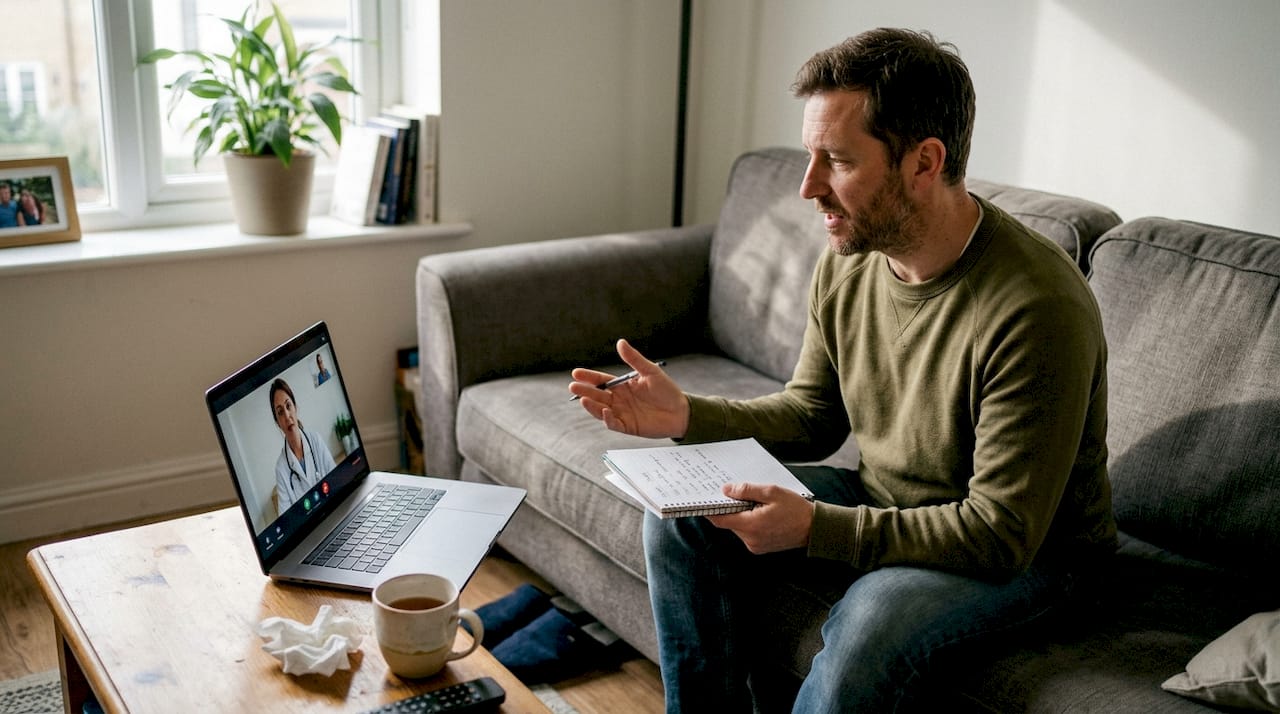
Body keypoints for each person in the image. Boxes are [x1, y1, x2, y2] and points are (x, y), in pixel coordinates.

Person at [569, 28, 1115, 712]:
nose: (807, 187)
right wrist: (687, 416)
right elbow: (810, 414)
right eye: (809, 156)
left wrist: (816, 526)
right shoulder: (852, 258)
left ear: (924, 162)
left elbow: (998, 532)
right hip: (890, 498)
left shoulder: (1035, 307)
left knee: (871, 616)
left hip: (1038, 560)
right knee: (685, 516)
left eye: (837, 161)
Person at [270, 378, 338, 515]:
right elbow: (287, 519)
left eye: (288, 406)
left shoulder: (315, 440)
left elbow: (337, 482)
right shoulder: (281, 468)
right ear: (277, 422)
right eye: (280, 412)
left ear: (295, 407)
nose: (287, 416)